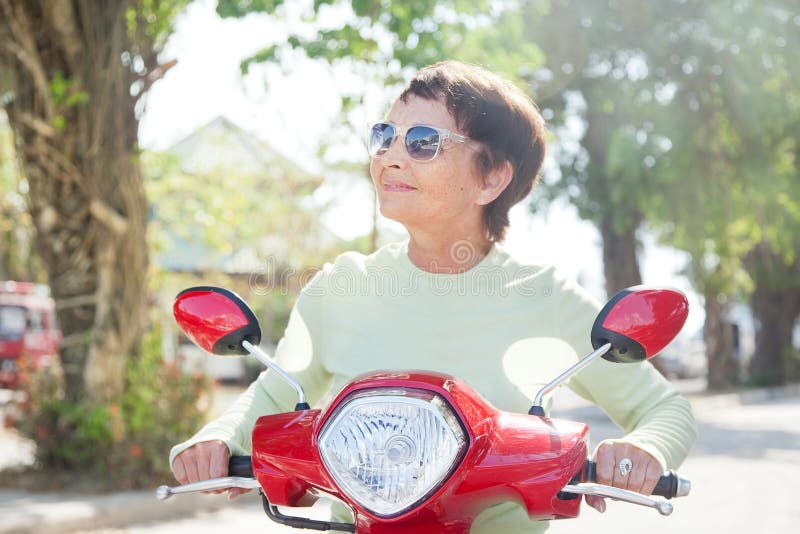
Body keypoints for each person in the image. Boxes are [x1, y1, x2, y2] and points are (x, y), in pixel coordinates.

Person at [169, 60, 696, 532]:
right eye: (384, 136)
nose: (391, 158)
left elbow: (664, 408)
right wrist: (217, 439)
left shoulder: (542, 296)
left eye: (421, 142)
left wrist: (642, 451)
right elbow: (274, 393)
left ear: (491, 178)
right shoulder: (340, 286)